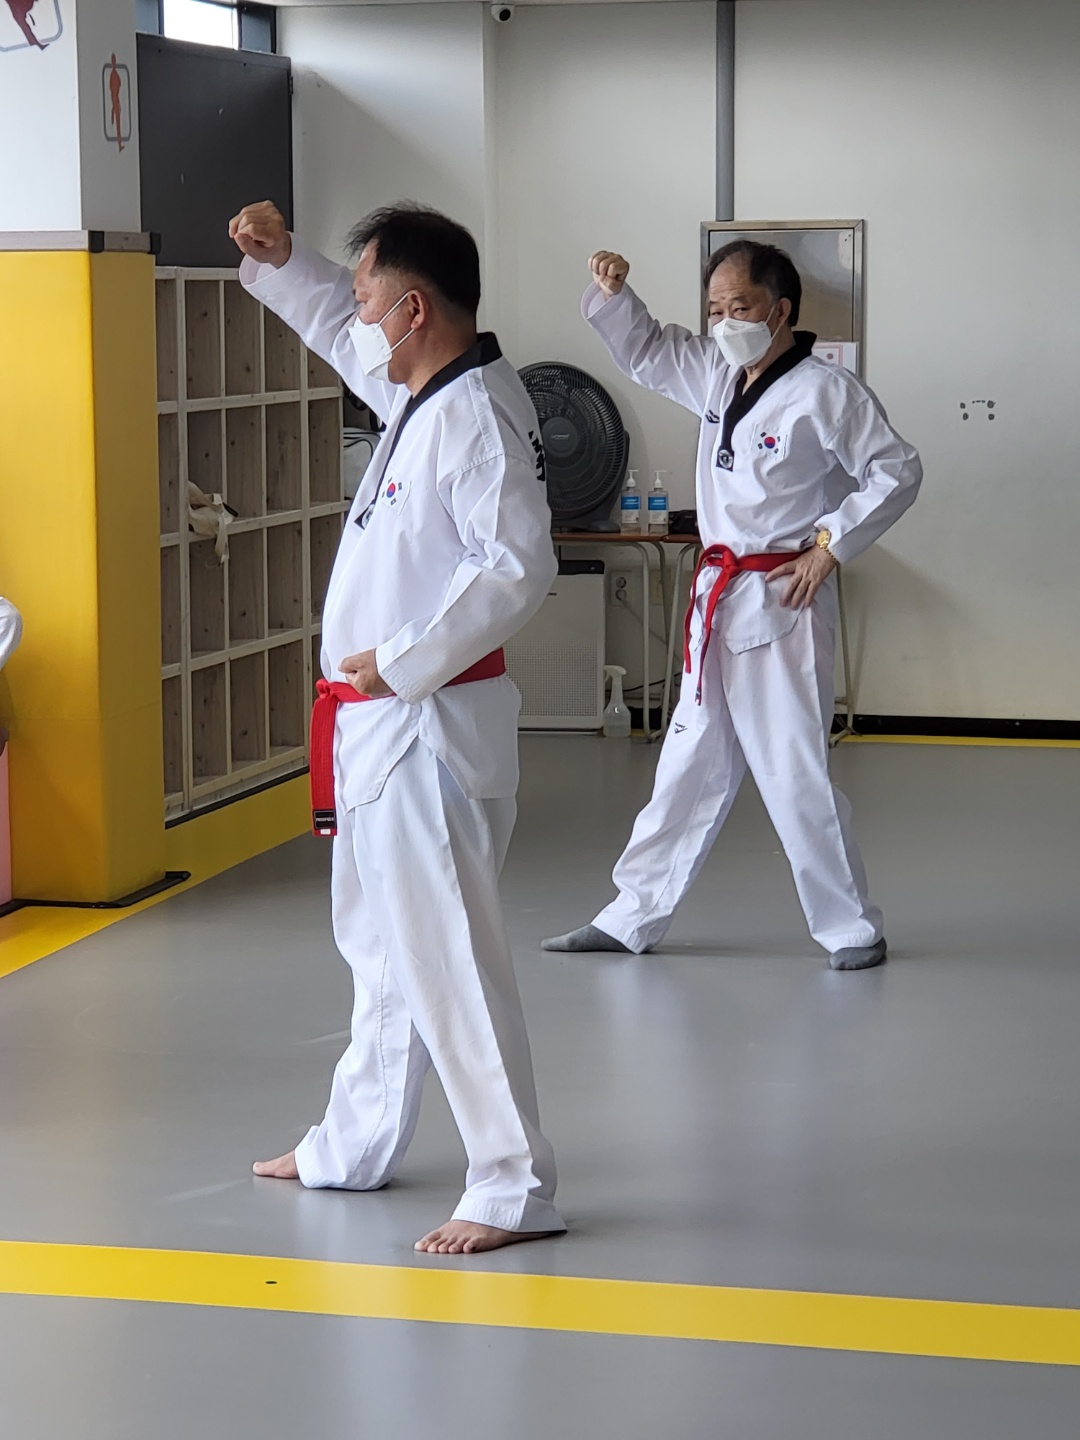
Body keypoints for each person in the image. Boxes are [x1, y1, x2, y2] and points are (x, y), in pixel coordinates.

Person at [229, 200, 564, 1254]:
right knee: (381, 952)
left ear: (414, 310)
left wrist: (408, 656)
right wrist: (288, 264)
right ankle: (355, 1142)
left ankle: (513, 1184)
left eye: (371, 294)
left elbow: (518, 568)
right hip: (380, 728)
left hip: (429, 727)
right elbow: (339, 329)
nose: (359, 312)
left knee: (451, 957)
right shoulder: (425, 394)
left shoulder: (476, 419)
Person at [544, 240, 922, 971]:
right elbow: (648, 351)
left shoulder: (826, 392)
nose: (724, 323)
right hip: (718, 598)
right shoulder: (716, 375)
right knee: (687, 762)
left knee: (792, 767)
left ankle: (851, 927)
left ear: (780, 311)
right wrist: (616, 296)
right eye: (715, 309)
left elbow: (896, 470)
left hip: (782, 598)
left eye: (739, 307)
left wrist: (829, 547)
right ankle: (633, 914)